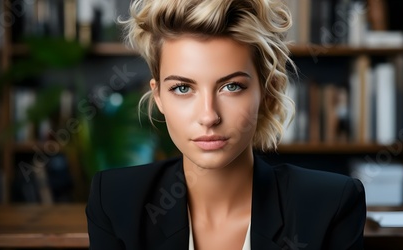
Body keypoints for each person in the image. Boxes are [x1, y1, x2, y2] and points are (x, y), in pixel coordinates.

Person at [85, 0, 367, 249]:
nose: (209, 116)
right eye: (183, 88)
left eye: (231, 86)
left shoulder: (330, 203)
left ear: (267, 92)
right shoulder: (114, 200)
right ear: (158, 96)